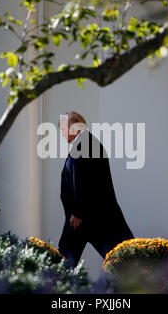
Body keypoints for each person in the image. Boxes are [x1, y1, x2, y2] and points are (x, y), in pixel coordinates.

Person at [58, 111, 134, 268]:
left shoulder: (84, 145)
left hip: (83, 218)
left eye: (63, 129)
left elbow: (82, 179)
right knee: (122, 258)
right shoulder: (87, 143)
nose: (62, 133)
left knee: (63, 263)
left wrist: (78, 212)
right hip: (91, 217)